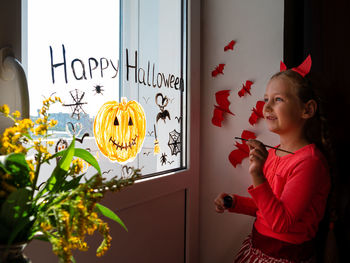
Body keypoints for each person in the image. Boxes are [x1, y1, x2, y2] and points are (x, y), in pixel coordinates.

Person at [214, 55, 332, 263]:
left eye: (278, 99)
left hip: (285, 257)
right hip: (258, 248)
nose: (266, 107)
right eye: (266, 99)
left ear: (307, 109)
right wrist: (234, 202)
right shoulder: (272, 153)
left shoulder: (310, 162)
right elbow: (267, 208)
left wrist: (257, 175)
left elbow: (281, 222)